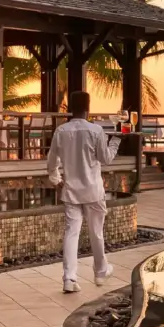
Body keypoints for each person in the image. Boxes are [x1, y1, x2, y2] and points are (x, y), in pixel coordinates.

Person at [47, 91, 126, 292]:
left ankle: (69, 279)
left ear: (70, 108)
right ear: (88, 108)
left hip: (71, 191)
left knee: (71, 234)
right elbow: (106, 158)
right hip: (93, 190)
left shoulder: (61, 131)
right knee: (96, 232)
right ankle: (100, 272)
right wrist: (116, 139)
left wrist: (56, 179)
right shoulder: (96, 130)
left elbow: (52, 161)